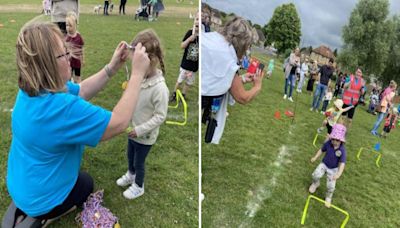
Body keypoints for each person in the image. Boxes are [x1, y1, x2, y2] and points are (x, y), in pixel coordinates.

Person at [6, 20, 150, 225]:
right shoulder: (61, 108)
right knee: (85, 183)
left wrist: (112, 67)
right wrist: (137, 74)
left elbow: (81, 90)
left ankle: (32, 205)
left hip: (19, 184)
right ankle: (47, 215)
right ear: (46, 64)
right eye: (63, 54)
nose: (70, 58)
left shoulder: (32, 89)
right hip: (42, 200)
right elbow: (119, 122)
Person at [116, 29, 169, 200]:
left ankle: (139, 186)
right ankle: (131, 174)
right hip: (131, 131)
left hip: (145, 136)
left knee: (139, 161)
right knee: (130, 155)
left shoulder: (160, 89)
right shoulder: (140, 78)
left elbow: (160, 116)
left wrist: (139, 130)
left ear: (150, 61)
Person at [201, 16, 263, 144]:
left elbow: (216, 74)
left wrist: (241, 78)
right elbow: (242, 97)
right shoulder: (228, 58)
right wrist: (257, 86)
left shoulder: (211, 37)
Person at [309, 124, 347, 208]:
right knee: (315, 175)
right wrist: (315, 157)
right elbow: (321, 150)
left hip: (333, 169)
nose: (334, 142)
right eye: (333, 139)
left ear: (341, 141)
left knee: (331, 186)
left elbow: (342, 163)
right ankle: (315, 184)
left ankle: (328, 197)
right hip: (324, 164)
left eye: (337, 140)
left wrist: (338, 174)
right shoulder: (328, 143)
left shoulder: (342, 150)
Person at [170, 12, 199, 101]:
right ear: (194, 21)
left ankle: (183, 95)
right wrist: (189, 39)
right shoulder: (190, 32)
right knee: (180, 80)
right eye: (196, 19)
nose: (198, 22)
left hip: (194, 66)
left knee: (189, 82)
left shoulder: (203, 36)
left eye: (200, 20)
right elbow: (182, 45)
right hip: (186, 64)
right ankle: (174, 94)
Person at [65, 12, 84, 83]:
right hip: (69, 62)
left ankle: (79, 89)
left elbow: (81, 49)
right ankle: (70, 90)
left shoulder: (79, 37)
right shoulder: (66, 38)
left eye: (70, 25)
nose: (68, 27)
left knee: (78, 77)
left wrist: (83, 59)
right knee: (69, 77)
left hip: (77, 62)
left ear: (75, 25)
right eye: (66, 25)